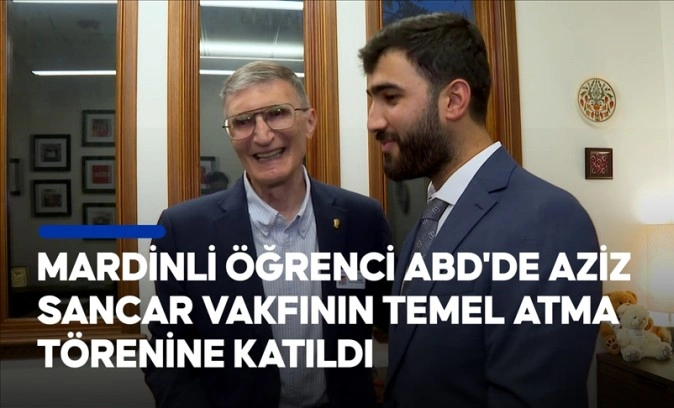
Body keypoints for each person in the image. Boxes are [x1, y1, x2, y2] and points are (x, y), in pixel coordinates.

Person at [359, 12, 601, 408]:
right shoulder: (431, 219)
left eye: (390, 97)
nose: (372, 120)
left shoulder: (547, 222)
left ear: (454, 100)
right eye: (371, 99)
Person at [144, 61, 392, 408]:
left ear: (310, 121)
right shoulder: (183, 231)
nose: (262, 136)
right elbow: (168, 355)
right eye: (243, 121)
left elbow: (398, 321)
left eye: (277, 113)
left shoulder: (362, 219)